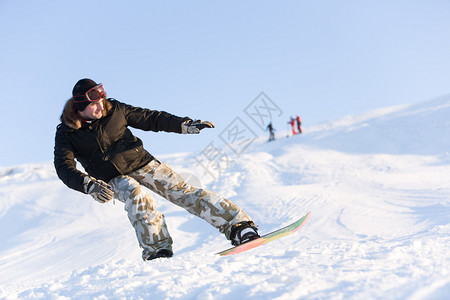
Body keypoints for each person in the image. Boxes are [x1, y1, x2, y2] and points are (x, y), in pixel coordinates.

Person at [54, 78, 260, 261]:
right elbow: (64, 167)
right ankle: (157, 251)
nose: (100, 106)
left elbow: (151, 118)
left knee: (182, 192)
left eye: (101, 100)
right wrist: (88, 185)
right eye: (94, 104)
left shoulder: (115, 109)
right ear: (80, 106)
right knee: (136, 196)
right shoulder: (67, 132)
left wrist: (184, 124)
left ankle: (239, 227)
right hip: (111, 177)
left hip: (142, 162)